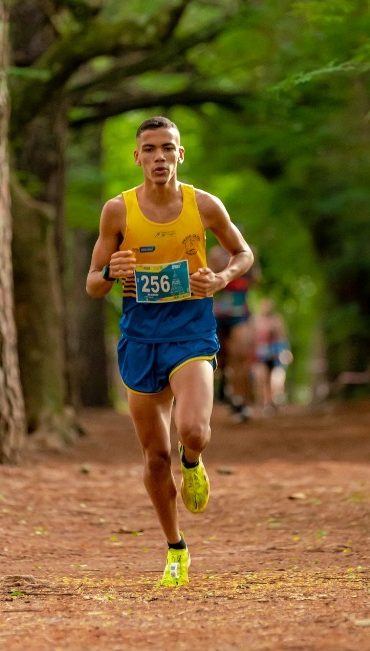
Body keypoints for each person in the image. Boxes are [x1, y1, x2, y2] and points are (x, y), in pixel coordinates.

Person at [86, 116, 254, 587]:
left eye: (167, 149)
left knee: (193, 431)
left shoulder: (203, 205)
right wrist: (111, 273)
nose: (159, 157)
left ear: (181, 155)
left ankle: (194, 462)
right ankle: (176, 548)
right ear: (137, 157)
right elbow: (93, 284)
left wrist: (220, 278)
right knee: (155, 456)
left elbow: (243, 253)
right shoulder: (117, 212)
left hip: (191, 331)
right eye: (150, 149)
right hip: (140, 337)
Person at [209, 245, 260, 423]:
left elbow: (256, 279)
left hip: (240, 313)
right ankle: (226, 390)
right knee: (219, 359)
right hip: (218, 313)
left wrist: (243, 265)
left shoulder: (248, 252)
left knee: (240, 355)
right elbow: (206, 276)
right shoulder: (215, 254)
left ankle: (241, 402)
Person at [251, 298, 293, 414]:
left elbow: (283, 337)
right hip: (261, 355)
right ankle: (266, 403)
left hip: (276, 353)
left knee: (276, 379)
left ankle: (275, 398)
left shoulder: (277, 321)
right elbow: (252, 340)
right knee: (262, 378)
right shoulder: (255, 321)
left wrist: (286, 351)